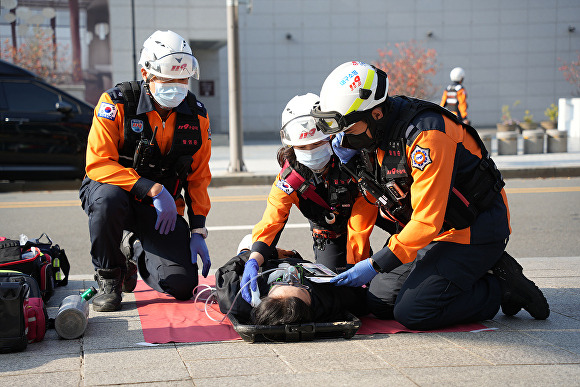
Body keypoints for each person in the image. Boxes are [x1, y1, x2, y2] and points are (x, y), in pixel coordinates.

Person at [311, 61, 550, 330]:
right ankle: (460, 273)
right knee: (379, 302)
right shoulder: (370, 135)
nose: (343, 139)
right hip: (430, 235)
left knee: (414, 312)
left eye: (349, 130)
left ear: (376, 114)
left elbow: (426, 220)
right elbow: (376, 200)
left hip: (473, 229)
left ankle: (497, 285)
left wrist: (375, 264)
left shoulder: (426, 134)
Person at [79, 30, 212, 312]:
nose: (176, 86)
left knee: (182, 285)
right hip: (118, 195)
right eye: (167, 79)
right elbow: (98, 163)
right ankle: (109, 278)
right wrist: (150, 188)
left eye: (182, 79)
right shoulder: (115, 103)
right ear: (146, 74)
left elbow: (198, 175)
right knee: (107, 200)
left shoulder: (196, 115)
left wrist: (198, 227)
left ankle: (133, 247)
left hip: (161, 209)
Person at [245, 93, 378, 277]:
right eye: (302, 147)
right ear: (291, 146)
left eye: (317, 143)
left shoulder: (351, 160)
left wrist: (355, 262)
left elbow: (363, 215)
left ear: (331, 136)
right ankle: (259, 251)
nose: (311, 151)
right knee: (332, 280)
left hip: (368, 215)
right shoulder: (289, 178)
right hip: (328, 232)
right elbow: (272, 220)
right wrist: (254, 258)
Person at [215, 235, 368, 326]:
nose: (291, 274)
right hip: (297, 259)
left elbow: (226, 270)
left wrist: (253, 258)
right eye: (299, 284)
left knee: (251, 240)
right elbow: (364, 301)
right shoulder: (329, 298)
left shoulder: (237, 299)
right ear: (310, 301)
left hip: (267, 262)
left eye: (281, 281)